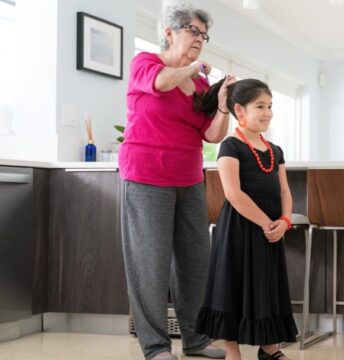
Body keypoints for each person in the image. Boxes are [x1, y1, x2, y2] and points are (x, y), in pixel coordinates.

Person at [119, 4, 234, 360]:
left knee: (194, 261)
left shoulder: (199, 84)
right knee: (150, 263)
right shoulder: (146, 63)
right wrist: (192, 68)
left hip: (188, 178)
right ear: (169, 32)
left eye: (204, 35)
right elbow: (160, 83)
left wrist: (223, 105)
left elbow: (212, 135)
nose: (199, 39)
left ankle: (196, 341)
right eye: (193, 31)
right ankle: (155, 346)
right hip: (146, 175)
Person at [194, 79, 298, 360]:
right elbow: (233, 193)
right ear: (240, 110)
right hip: (241, 226)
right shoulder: (230, 145)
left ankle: (269, 348)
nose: (267, 113)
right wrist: (267, 223)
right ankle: (232, 349)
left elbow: (285, 190)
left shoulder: (275, 150)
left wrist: (285, 221)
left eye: (270, 106)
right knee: (234, 283)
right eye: (260, 106)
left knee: (267, 283)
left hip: (272, 227)